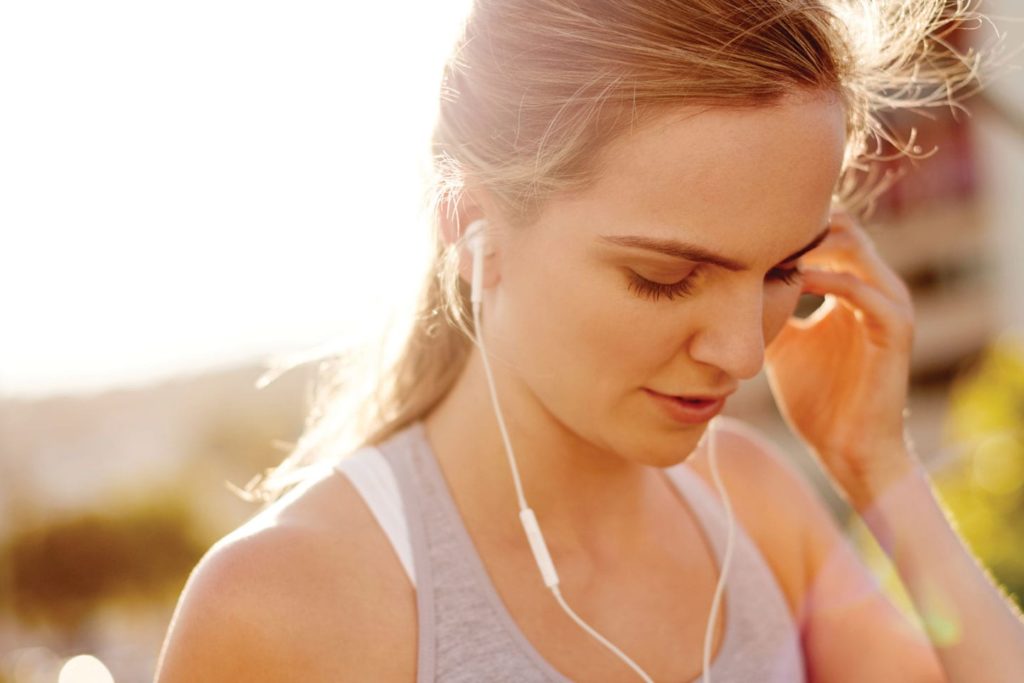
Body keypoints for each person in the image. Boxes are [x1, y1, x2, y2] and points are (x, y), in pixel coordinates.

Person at [155, 1, 1024, 681]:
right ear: (471, 230)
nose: (742, 354)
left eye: (780, 272)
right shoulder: (291, 604)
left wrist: (880, 465)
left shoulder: (754, 505)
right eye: (664, 276)